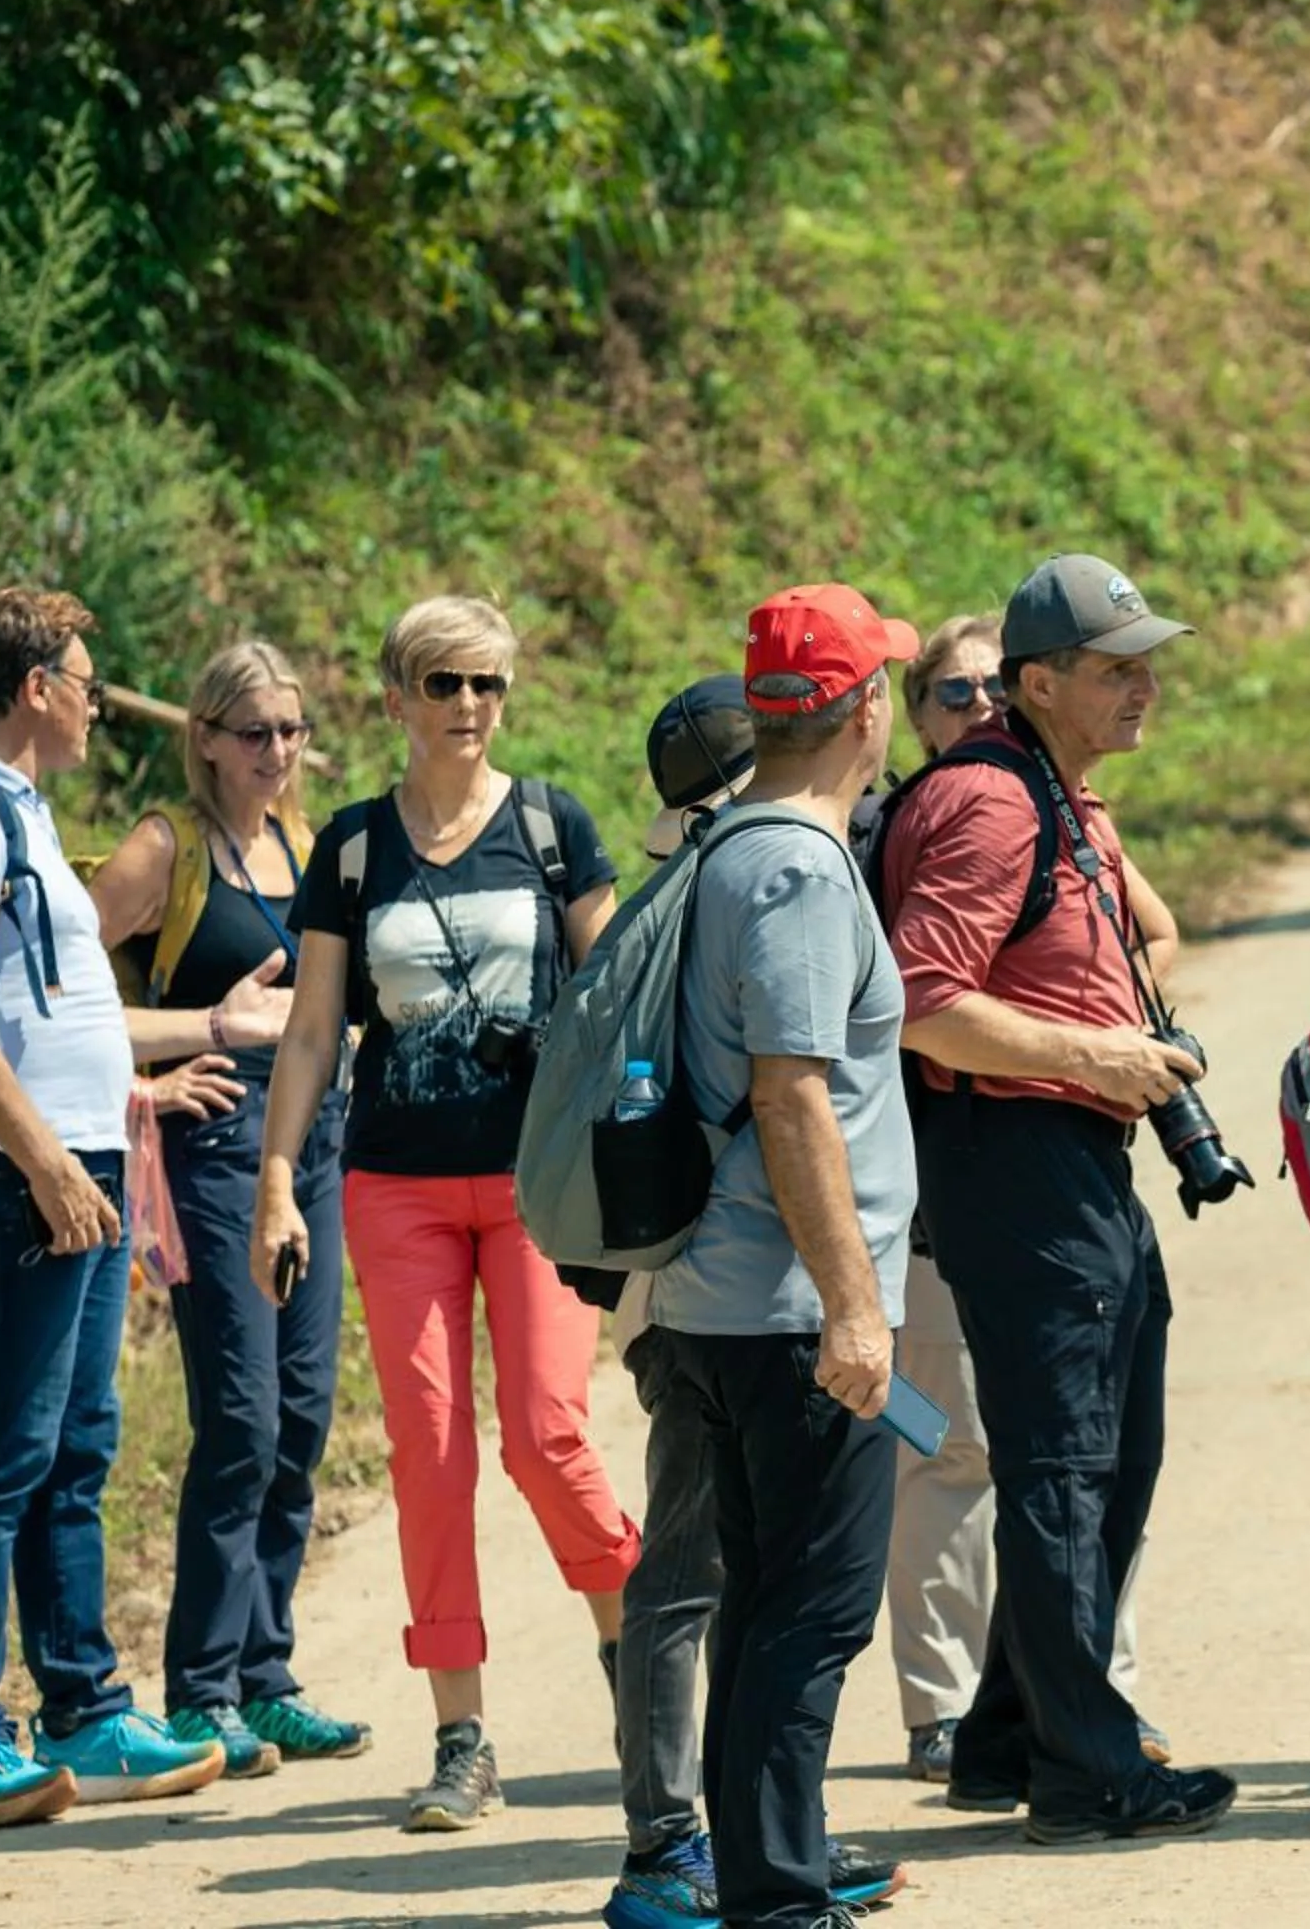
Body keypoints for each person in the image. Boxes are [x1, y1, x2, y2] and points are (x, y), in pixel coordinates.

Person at [253, 595, 639, 1832]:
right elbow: (315, 1029)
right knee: (428, 1450)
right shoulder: (355, 849)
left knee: (544, 1435)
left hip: (536, 1187)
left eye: (488, 685)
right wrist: (274, 1177)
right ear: (395, 698)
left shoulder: (550, 823)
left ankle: (648, 1662)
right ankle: (461, 1735)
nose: (468, 707)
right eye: (443, 684)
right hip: (395, 1183)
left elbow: (619, 996)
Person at [882, 553, 1235, 1844]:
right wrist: (1102, 1056)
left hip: (1068, 1157)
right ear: (1038, 682)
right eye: (1116, 668)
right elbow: (928, 1006)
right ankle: (1089, 1772)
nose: (1145, 686)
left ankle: (1003, 1737)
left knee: (1109, 1445)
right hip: (1015, 1156)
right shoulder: (991, 806)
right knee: (1066, 1466)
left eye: (1148, 661)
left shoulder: (1055, 791)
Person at [643, 586, 926, 1929]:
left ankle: (770, 1881)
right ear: (866, 709)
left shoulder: (724, 845)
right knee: (809, 1616)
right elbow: (791, 1095)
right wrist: (857, 1315)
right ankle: (776, 1902)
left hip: (722, 1300)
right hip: (790, 1313)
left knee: (765, 1607)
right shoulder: (802, 870)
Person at [0, 588, 229, 1828]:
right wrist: (49, 1163)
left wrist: (139, 1086)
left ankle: (81, 1705)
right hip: (23, 1176)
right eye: (83, 676)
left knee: (73, 1450)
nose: (94, 698)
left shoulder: (18, 807)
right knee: (0, 1453)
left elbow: (52, 1010)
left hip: (80, 1162)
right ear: (32, 687)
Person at [87, 642, 372, 1784]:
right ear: (203, 736)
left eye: (291, 730)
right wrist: (171, 1058)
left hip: (310, 1148)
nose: (276, 751)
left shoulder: (306, 848)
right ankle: (201, 1690)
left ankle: (266, 1673)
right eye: (252, 731)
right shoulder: (166, 848)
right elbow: (38, 996)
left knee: (303, 1418)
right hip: (212, 1153)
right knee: (242, 1422)